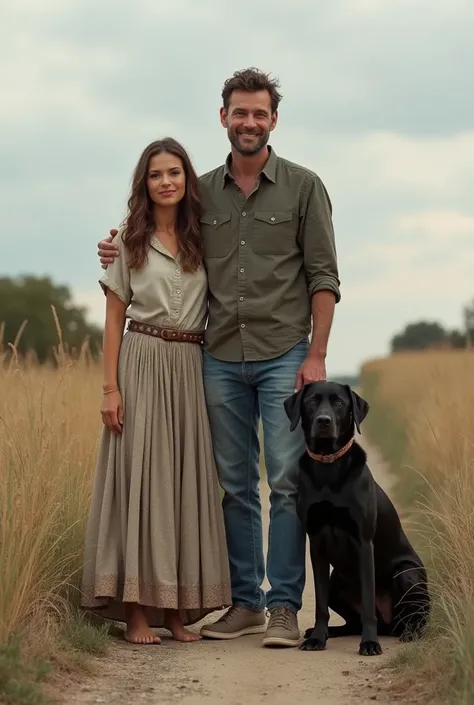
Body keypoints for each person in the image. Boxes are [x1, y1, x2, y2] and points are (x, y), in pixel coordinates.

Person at [97, 68, 341, 648]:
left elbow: (324, 276)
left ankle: (284, 605)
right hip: (218, 357)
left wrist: (317, 354)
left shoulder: (305, 187)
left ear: (273, 120)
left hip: (285, 354)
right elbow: (153, 235)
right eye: (239, 112)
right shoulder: (201, 191)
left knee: (283, 481)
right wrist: (114, 242)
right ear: (223, 117)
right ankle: (245, 603)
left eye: (259, 113)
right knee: (232, 484)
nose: (249, 122)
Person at [81, 137, 232, 646]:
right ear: (144, 184)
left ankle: (176, 611)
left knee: (180, 483)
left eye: (174, 172)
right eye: (155, 174)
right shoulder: (128, 238)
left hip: (190, 364)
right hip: (141, 359)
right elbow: (113, 316)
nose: (165, 181)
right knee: (139, 482)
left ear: (187, 180)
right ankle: (137, 613)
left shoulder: (201, 238)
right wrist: (109, 388)